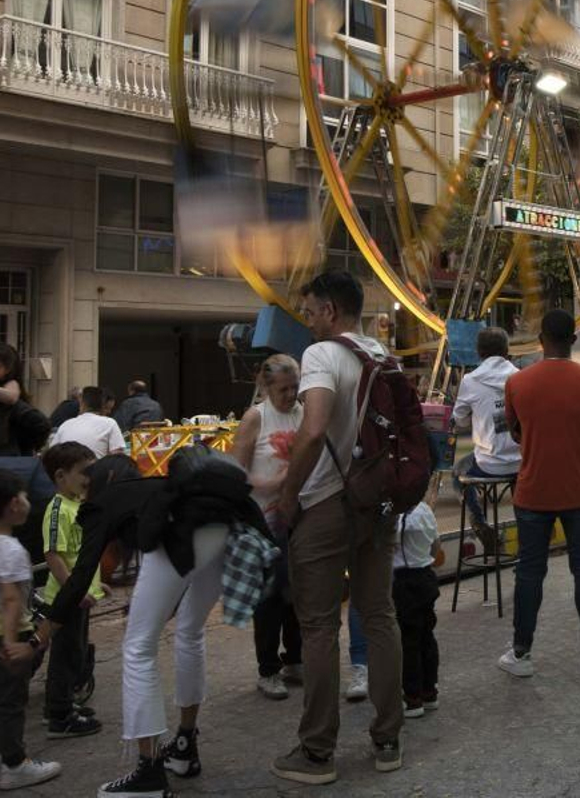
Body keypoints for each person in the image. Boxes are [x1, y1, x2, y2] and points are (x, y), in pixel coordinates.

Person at [39, 448, 271, 798]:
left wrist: (42, 634)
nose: (86, 492)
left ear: (109, 478)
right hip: (228, 531)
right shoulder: (159, 487)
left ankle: (148, 774)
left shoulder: (108, 498)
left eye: (89, 484)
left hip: (184, 537)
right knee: (191, 634)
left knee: (137, 649)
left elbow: (81, 575)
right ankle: (183, 747)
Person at [271, 270, 404, 786]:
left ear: (329, 310)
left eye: (308, 312)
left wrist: (288, 495)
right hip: (379, 500)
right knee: (379, 616)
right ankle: (388, 738)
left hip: (327, 501)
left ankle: (317, 751)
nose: (306, 323)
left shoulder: (323, 355)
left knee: (320, 626)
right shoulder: (384, 356)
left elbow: (315, 427)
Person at [496, 309, 580, 679]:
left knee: (529, 572)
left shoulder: (517, 383)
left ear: (542, 339)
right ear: (573, 339)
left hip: (533, 491)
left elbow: (516, 432)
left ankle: (521, 653)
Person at [0, 468, 61, 790]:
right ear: (12, 506)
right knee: (10, 702)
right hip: (4, 634)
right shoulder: (12, 551)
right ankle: (15, 764)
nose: (27, 501)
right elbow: (10, 598)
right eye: (23, 496)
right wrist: (10, 643)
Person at [229, 354, 303, 701]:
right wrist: (276, 484)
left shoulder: (303, 412)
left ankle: (296, 658)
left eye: (295, 388)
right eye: (284, 389)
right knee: (271, 595)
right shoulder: (254, 418)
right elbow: (236, 476)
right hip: (264, 518)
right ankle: (268, 668)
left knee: (298, 591)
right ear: (266, 387)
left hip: (299, 515)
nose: (291, 395)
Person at [38, 442, 102, 739]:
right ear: (61, 476)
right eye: (84, 472)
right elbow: (54, 556)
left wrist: (97, 585)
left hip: (80, 598)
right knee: (65, 656)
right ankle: (60, 714)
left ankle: (65, 705)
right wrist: (74, 590)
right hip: (65, 600)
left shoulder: (78, 504)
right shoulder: (58, 509)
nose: (90, 477)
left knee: (75, 651)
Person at [451, 327, 520, 553]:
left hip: (488, 464)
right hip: (521, 464)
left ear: (479, 352)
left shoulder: (470, 381)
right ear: (507, 351)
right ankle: (526, 527)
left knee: (457, 470)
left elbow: (459, 421)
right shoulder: (520, 377)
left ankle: (481, 525)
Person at [392, 500, 444, 718]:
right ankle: (429, 690)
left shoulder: (394, 515)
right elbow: (436, 547)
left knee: (408, 640)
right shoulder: (425, 510)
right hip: (426, 576)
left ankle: (412, 697)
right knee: (426, 636)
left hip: (403, 580)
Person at [53, 386, 126, 459]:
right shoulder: (110, 423)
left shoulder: (65, 424)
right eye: (107, 408)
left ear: (82, 403)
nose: (109, 412)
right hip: (95, 469)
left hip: (66, 468)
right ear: (103, 405)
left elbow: (52, 452)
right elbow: (118, 457)